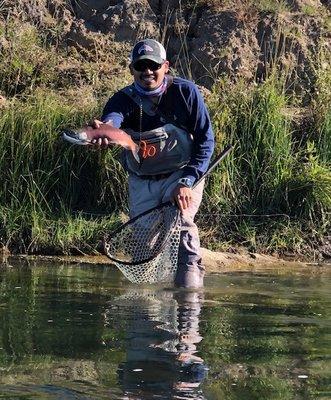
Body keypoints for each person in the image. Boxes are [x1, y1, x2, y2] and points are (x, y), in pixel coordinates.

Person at [93, 38, 215, 288]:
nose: (147, 71)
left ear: (166, 66)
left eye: (153, 65)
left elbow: (206, 141)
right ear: (132, 70)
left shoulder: (186, 92)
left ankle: (188, 301)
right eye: (141, 66)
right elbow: (112, 120)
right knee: (143, 243)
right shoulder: (121, 100)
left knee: (182, 228)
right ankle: (146, 310)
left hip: (180, 175)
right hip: (142, 179)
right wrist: (104, 131)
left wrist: (187, 181)